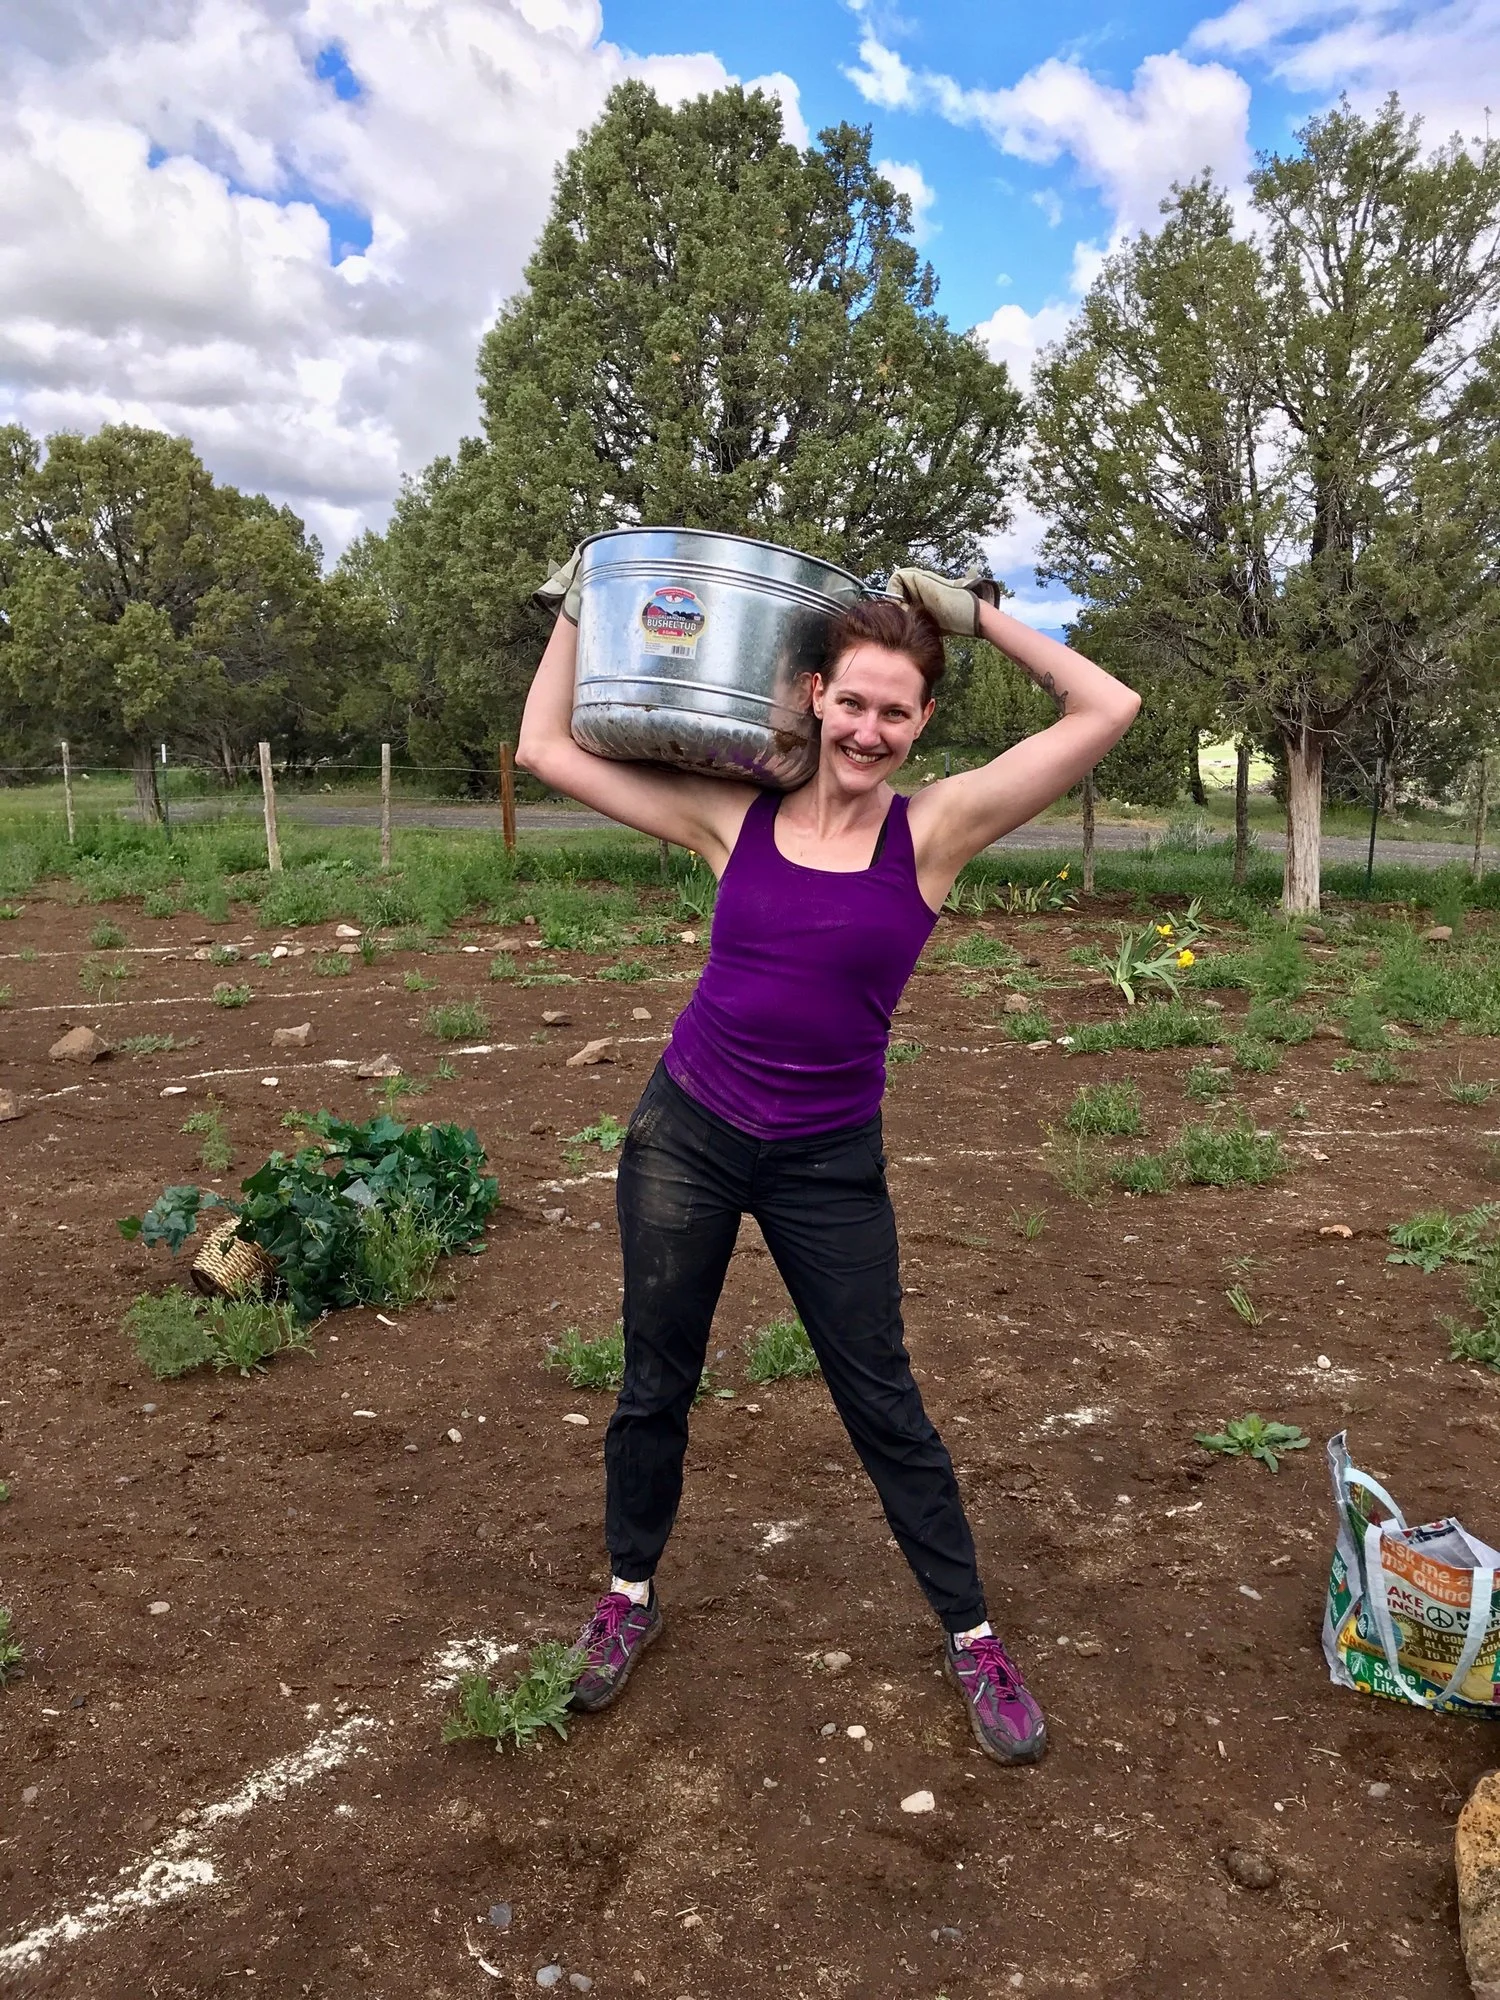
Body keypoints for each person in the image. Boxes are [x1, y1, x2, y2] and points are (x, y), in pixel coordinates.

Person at [516, 555, 1139, 1765]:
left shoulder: (936, 830)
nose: (868, 727)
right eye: (851, 700)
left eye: (895, 710)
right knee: (657, 1378)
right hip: (685, 1135)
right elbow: (546, 745)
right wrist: (582, 606)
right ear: (810, 695)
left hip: (826, 1161)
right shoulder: (727, 815)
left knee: (884, 1400)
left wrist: (980, 617)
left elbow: (1105, 708)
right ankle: (627, 1596)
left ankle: (972, 1635)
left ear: (922, 724)